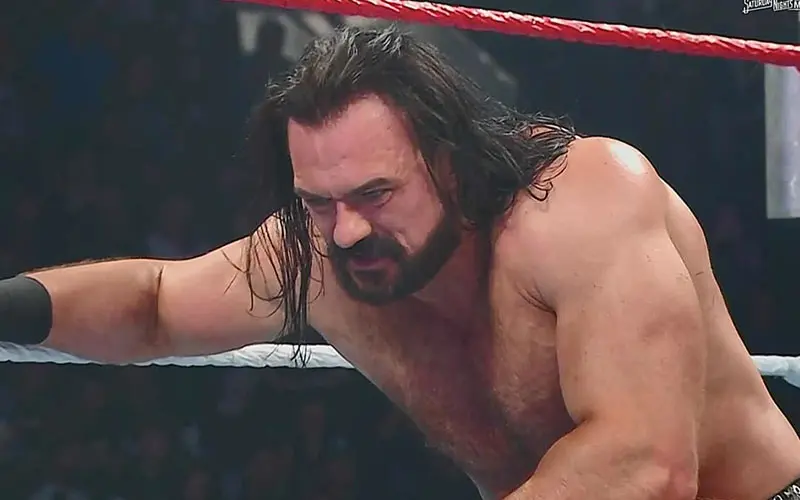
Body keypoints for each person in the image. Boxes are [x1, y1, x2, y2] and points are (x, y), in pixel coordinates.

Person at [1, 26, 799, 500]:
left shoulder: (582, 201)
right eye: (317, 201)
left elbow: (648, 467)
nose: (346, 232)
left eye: (375, 193)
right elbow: (153, 303)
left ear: (450, 162)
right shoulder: (316, 252)